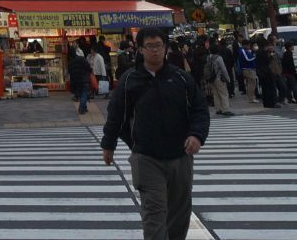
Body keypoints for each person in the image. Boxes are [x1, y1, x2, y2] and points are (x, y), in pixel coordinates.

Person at [101, 27, 209, 240]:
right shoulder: (130, 80)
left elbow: (200, 109)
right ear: (140, 50)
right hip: (146, 157)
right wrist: (108, 145)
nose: (154, 51)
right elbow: (116, 115)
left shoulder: (180, 78)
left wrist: (196, 135)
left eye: (158, 46)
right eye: (149, 47)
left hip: (180, 156)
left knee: (179, 215)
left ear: (166, 48)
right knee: (154, 214)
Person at [203, 45, 233, 117]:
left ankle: (218, 109)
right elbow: (224, 69)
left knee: (215, 94)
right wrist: (228, 79)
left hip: (211, 78)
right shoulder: (219, 58)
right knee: (224, 94)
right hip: (219, 78)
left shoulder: (208, 57)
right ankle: (226, 110)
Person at [69, 41, 94, 117]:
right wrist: (90, 71)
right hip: (84, 79)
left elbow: (69, 72)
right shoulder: (81, 59)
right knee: (84, 93)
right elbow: (88, 67)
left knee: (81, 93)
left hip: (76, 81)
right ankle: (81, 108)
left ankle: (85, 107)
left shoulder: (71, 62)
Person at [278, 37, 297, 104]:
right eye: (292, 46)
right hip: (290, 73)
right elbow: (290, 64)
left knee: (289, 87)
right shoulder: (289, 54)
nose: (293, 47)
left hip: (286, 72)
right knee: (294, 86)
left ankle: (289, 98)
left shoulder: (286, 54)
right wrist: (294, 73)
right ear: (289, 47)